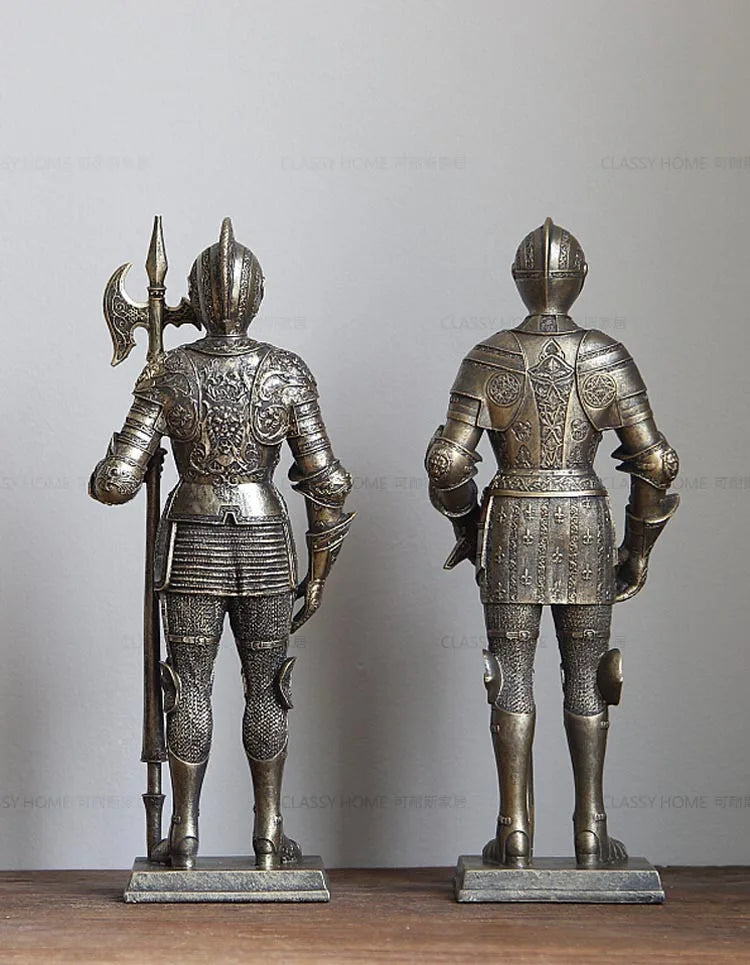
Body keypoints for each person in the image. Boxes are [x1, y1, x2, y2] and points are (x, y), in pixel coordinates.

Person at [426, 219, 678, 868]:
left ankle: (514, 831)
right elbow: (657, 462)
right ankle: (591, 830)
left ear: (518, 278)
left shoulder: (489, 356)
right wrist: (639, 548)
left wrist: (469, 526)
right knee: (588, 678)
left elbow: (447, 464)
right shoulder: (606, 357)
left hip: (511, 524)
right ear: (579, 279)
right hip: (584, 526)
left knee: (511, 678)